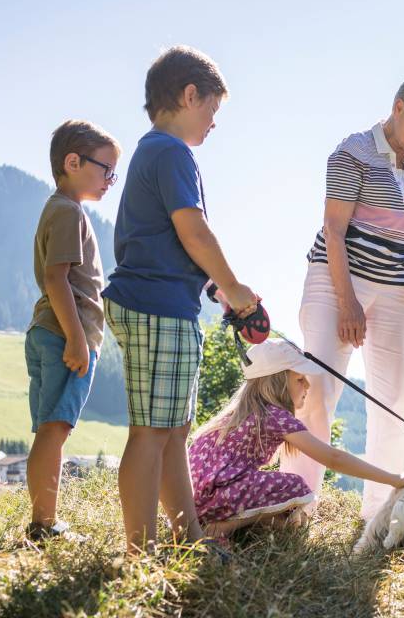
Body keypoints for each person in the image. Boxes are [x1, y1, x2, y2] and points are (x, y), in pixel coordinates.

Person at [102, 45, 259, 554]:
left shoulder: (158, 152)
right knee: (151, 431)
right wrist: (235, 289)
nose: (214, 121)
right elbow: (192, 230)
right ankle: (140, 552)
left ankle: (187, 537)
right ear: (190, 95)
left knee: (173, 429)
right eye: (212, 109)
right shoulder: (170, 152)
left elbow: (168, 241)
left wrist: (211, 285)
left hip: (169, 302)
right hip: (156, 306)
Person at [282, 68, 404, 519]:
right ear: (398, 107)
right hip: (337, 280)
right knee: (315, 392)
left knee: (393, 399)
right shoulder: (351, 153)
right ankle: (294, 506)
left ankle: (380, 515)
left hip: (396, 291)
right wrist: (348, 303)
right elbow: (333, 231)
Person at [189, 340, 404, 538]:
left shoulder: (233, 416)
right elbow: (333, 458)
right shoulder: (276, 416)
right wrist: (394, 479)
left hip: (192, 499)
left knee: (288, 516)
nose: (308, 386)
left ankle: (233, 524)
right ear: (278, 382)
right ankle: (219, 529)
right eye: (300, 379)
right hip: (218, 496)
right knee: (295, 487)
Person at [24, 119, 120, 541]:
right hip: (65, 335)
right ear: (73, 162)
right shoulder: (66, 211)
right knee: (55, 428)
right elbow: (56, 279)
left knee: (50, 427)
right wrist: (78, 339)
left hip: (52, 331)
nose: (110, 181)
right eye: (106, 169)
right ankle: (44, 524)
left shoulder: (63, 209)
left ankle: (43, 518)